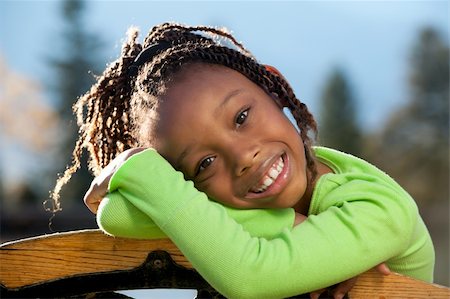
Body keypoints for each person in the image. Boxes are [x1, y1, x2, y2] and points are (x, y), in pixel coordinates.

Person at [52, 23, 434, 299]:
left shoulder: (381, 208)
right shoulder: (219, 199)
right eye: (204, 164)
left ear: (273, 86)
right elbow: (118, 214)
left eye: (240, 117)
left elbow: (250, 276)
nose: (242, 159)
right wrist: (289, 224)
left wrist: (140, 172)